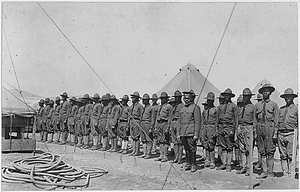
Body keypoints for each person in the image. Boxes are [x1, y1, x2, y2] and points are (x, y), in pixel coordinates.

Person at [254, 83, 279, 179]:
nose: (266, 92)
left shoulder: (274, 105)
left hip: (270, 128)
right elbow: (255, 120)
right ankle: (264, 171)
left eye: (268, 90)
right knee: (262, 150)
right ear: (262, 92)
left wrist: (275, 132)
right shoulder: (257, 105)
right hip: (260, 128)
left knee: (270, 150)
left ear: (270, 92)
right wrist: (256, 132)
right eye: (264, 90)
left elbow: (276, 119)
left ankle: (270, 172)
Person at [178, 90, 201, 172]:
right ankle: (188, 163)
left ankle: (193, 165)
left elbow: (197, 122)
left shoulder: (195, 108)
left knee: (192, 149)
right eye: (185, 98)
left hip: (191, 132)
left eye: (188, 98)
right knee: (186, 148)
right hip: (183, 132)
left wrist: (196, 134)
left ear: (192, 99)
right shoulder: (182, 108)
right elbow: (179, 122)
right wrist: (179, 133)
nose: (186, 100)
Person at [216, 88, 238, 172]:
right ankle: (224, 163)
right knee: (223, 146)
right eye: (225, 96)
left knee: (229, 147)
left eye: (228, 96)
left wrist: (234, 130)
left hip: (229, 127)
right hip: (221, 127)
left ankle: (229, 164)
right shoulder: (220, 107)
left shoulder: (233, 106)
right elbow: (217, 119)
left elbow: (236, 119)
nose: (226, 97)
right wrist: (217, 128)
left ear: (230, 96)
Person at [277, 88, 298, 177]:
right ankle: (285, 172)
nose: (287, 98)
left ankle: (291, 172)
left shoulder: (297, 108)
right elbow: (277, 123)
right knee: (283, 155)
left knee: (291, 155)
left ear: (293, 97)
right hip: (281, 134)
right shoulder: (281, 109)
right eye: (286, 97)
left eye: (289, 97)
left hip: (291, 134)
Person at [235, 88, 255, 176]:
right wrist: (237, 129)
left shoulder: (253, 107)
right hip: (241, 127)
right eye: (244, 96)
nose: (245, 98)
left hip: (249, 128)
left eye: (247, 96)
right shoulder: (240, 107)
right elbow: (237, 119)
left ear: (250, 97)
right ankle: (243, 166)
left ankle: (249, 168)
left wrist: (254, 131)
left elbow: (255, 120)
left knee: (249, 149)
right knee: (242, 149)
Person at [154, 92, 173, 162]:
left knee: (165, 141)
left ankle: (165, 156)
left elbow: (170, 117)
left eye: (164, 98)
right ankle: (161, 155)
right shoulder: (160, 107)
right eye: (161, 98)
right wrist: (156, 125)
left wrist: (168, 127)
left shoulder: (169, 107)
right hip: (159, 124)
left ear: (166, 99)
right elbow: (157, 116)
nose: (162, 100)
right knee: (160, 141)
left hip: (165, 123)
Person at [202, 92, 218, 169]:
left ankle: (212, 161)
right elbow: (202, 120)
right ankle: (207, 160)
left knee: (211, 145)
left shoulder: (215, 109)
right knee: (206, 145)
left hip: (212, 127)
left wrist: (215, 130)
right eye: (208, 100)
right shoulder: (205, 110)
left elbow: (217, 121)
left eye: (210, 100)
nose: (209, 102)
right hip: (205, 127)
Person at [170, 90, 185, 164]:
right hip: (173, 122)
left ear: (180, 97)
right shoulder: (174, 106)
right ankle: (176, 157)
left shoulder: (182, 105)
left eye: (178, 97)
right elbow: (171, 115)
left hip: (179, 123)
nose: (176, 99)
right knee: (175, 142)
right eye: (175, 97)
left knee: (180, 142)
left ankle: (180, 158)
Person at [140, 93, 156, 159]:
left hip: (148, 124)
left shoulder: (151, 108)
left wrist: (151, 126)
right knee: (143, 140)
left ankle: (148, 153)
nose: (143, 101)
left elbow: (153, 118)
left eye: (144, 100)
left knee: (149, 139)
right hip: (142, 123)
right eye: (143, 100)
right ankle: (144, 153)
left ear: (148, 100)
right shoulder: (144, 108)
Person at [129, 91, 143, 156]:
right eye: (132, 98)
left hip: (137, 122)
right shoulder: (131, 106)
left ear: (137, 98)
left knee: (136, 137)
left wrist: (139, 124)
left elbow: (141, 115)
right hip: (132, 122)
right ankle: (134, 150)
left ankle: (137, 151)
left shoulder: (140, 106)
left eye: (134, 98)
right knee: (133, 137)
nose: (132, 99)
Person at [254, 93, 263, 170]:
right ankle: (260, 162)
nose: (260, 101)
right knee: (259, 147)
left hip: (266, 128)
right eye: (259, 100)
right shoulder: (257, 106)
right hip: (258, 129)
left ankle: (263, 164)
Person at [215, 93, 226, 163]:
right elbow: (217, 118)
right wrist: (216, 127)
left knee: (225, 144)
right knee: (219, 143)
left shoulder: (226, 107)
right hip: (220, 126)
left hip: (226, 127)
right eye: (220, 99)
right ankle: (219, 157)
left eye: (222, 99)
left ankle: (224, 160)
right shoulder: (218, 108)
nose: (220, 101)